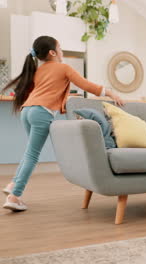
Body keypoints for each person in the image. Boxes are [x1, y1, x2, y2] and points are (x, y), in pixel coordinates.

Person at [1, 36, 123, 212]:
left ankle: (13, 184)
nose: (62, 51)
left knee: (30, 153)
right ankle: (14, 196)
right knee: (33, 155)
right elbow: (86, 85)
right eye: (60, 48)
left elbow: (47, 91)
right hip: (41, 113)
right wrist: (110, 93)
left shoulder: (39, 69)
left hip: (27, 111)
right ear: (52, 52)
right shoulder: (63, 68)